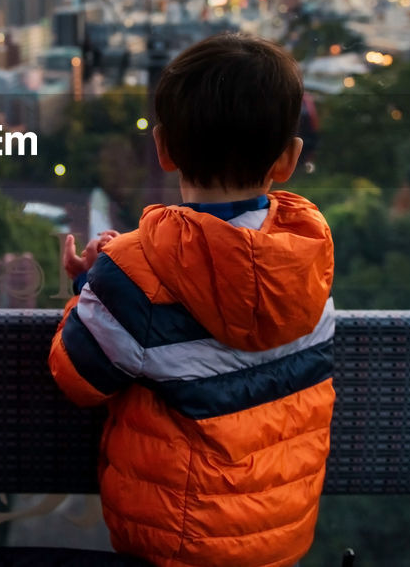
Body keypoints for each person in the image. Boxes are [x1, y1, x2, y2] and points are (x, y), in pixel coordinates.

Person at [49, 33, 335, 567]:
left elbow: (77, 376)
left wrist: (90, 287)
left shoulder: (138, 272)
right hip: (281, 540)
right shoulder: (308, 263)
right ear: (288, 159)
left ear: (164, 148)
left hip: (176, 547)